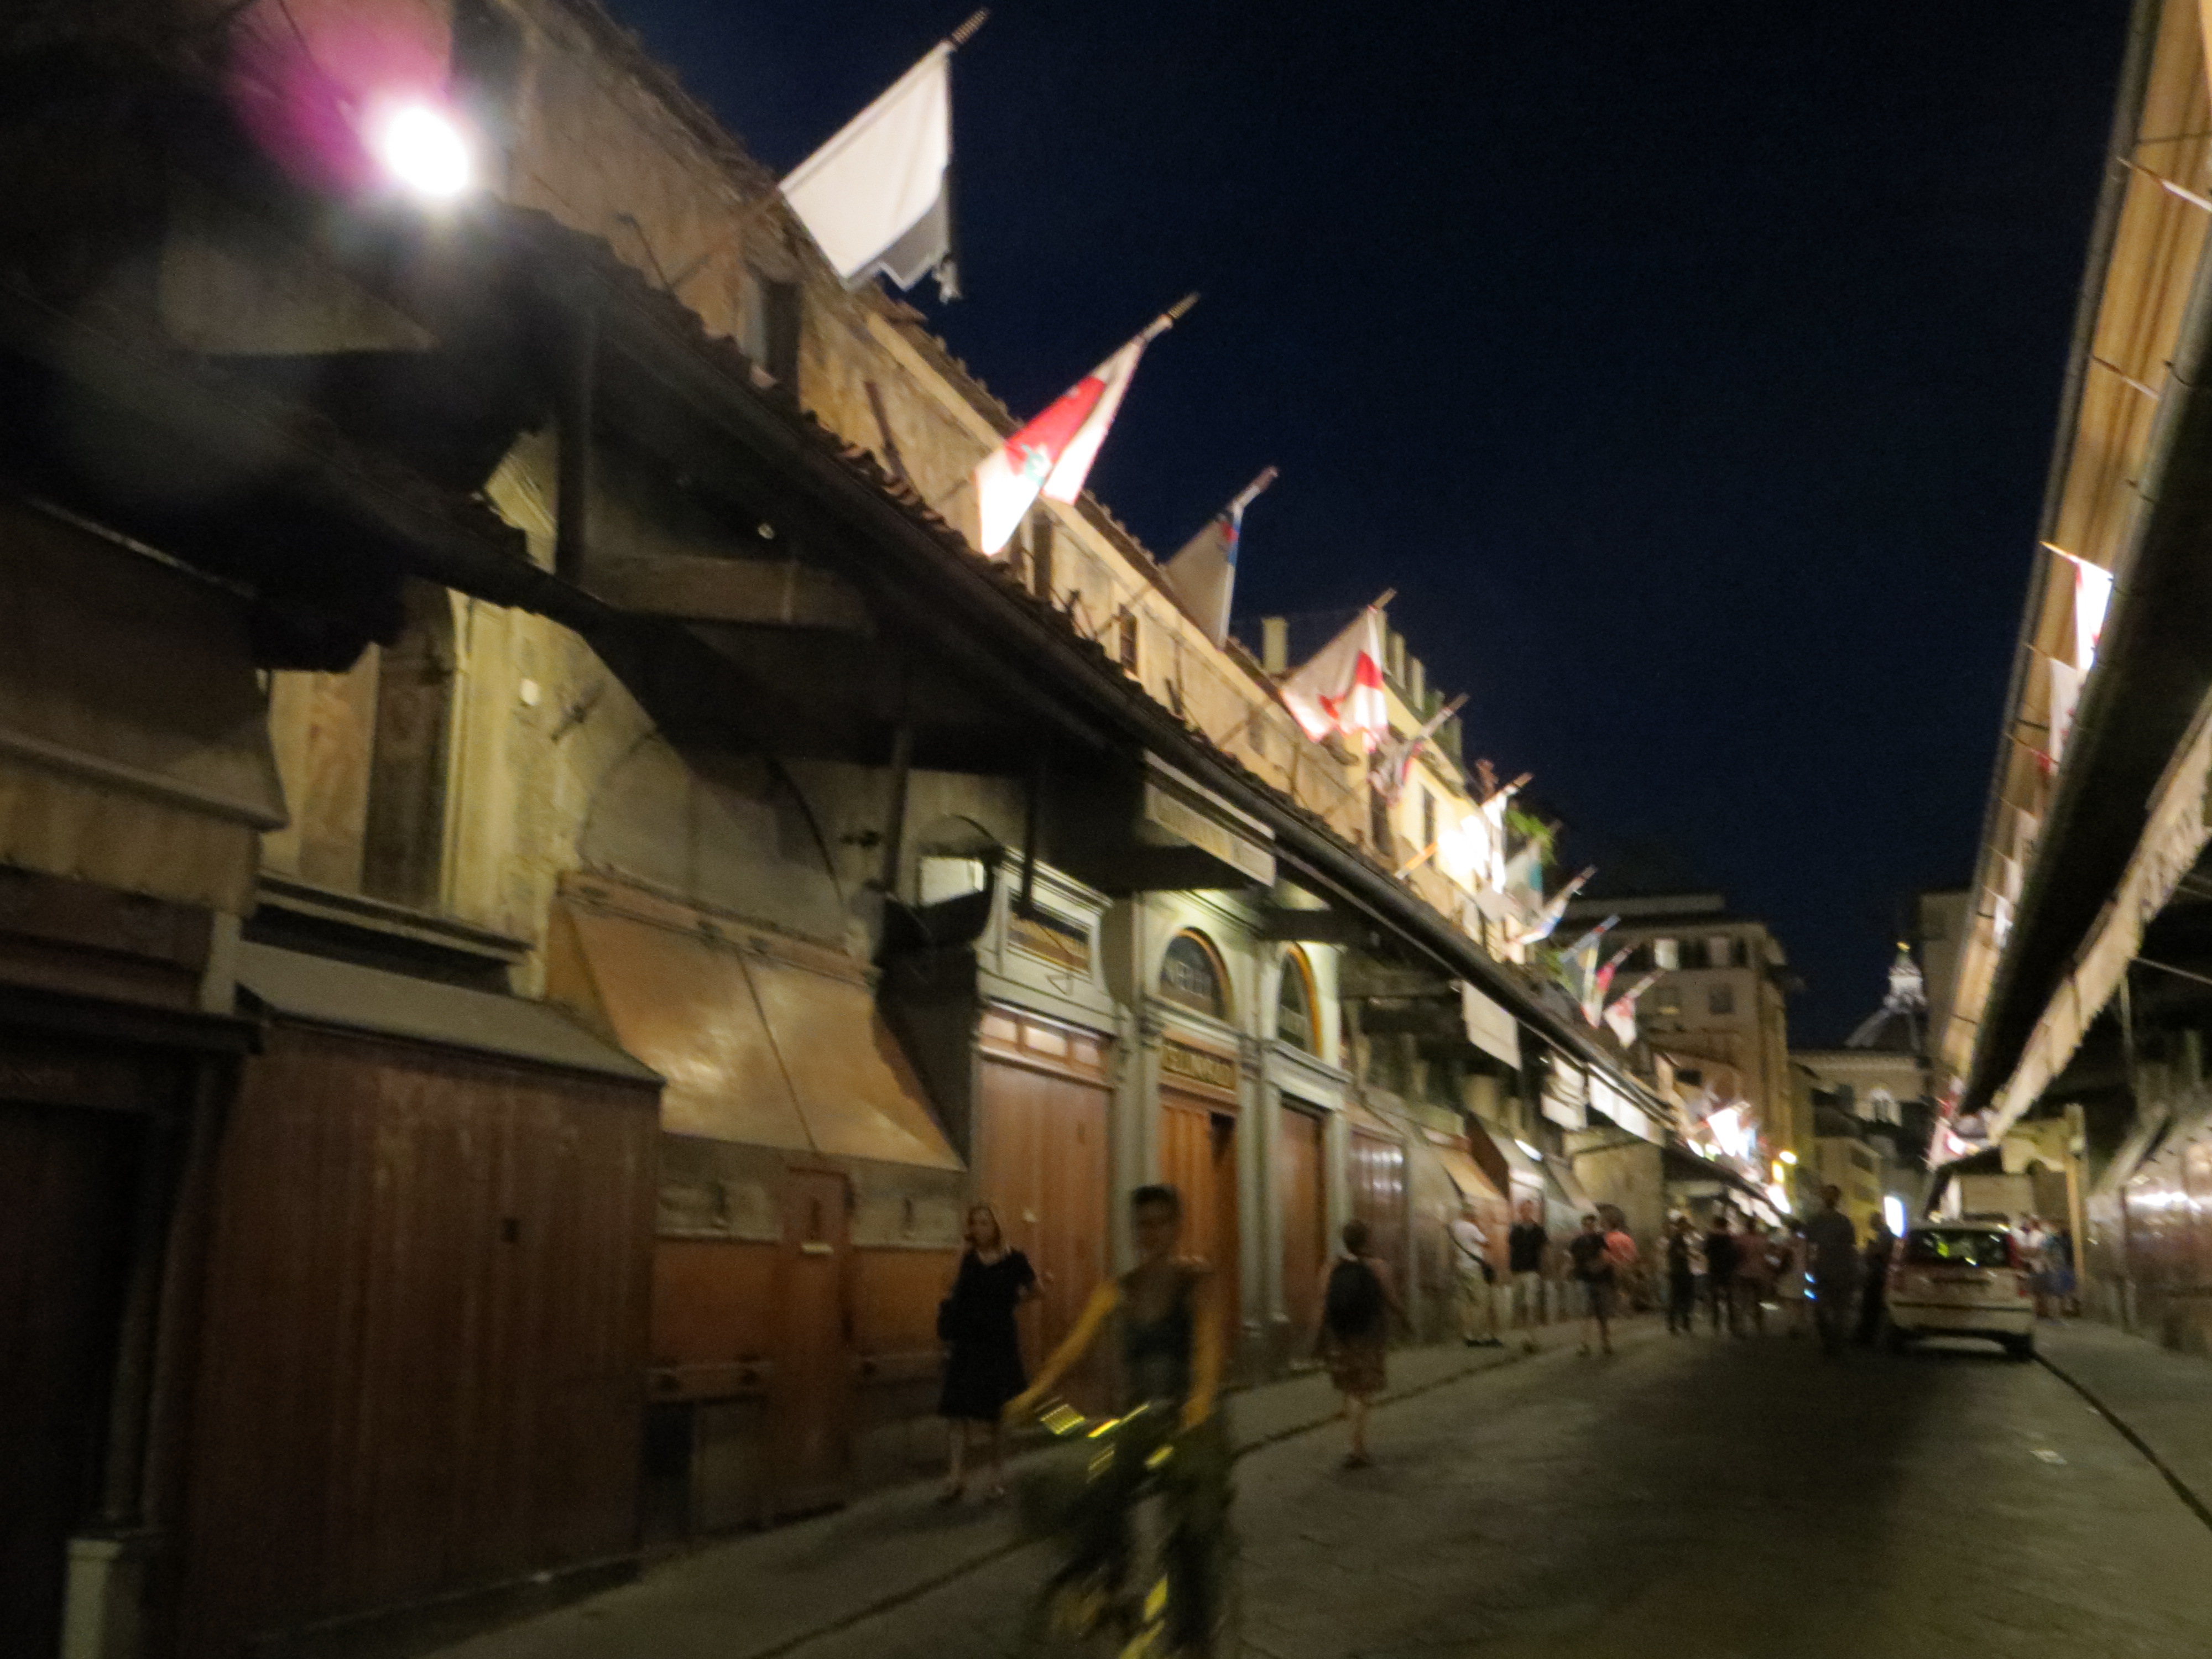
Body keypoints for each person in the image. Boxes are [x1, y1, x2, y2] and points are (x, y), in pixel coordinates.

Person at [1006, 1186, 1229, 1654]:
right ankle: (1112, 1582)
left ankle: (1196, 1638)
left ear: (1176, 1227)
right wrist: (1036, 1392)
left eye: (1161, 1222)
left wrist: (1200, 1403)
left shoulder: (1197, 1283)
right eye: (1143, 1224)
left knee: (1195, 1521)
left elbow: (1208, 1350)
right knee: (1102, 1489)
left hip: (1194, 1419)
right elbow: (1073, 1348)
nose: (1152, 1233)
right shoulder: (1118, 1289)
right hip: (1142, 1417)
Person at [936, 1203, 1039, 1501]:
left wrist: (1017, 1299)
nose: (979, 1229)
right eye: (975, 1223)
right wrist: (960, 1252)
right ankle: (956, 1477)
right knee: (958, 1412)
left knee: (996, 1414)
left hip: (998, 1341)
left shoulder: (1014, 1259)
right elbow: (949, 1287)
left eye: (985, 1223)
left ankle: (997, 1476)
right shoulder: (968, 1259)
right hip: (968, 1341)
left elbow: (1035, 1289)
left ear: (996, 1226)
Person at [1314, 1218, 1406, 1468]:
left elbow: (1322, 1302)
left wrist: (1317, 1337)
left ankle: (1353, 1442)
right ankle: (1357, 1448)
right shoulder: (1378, 1267)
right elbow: (1391, 1299)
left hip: (1339, 1335)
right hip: (1369, 1335)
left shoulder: (1331, 1267)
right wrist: (1405, 1319)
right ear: (1367, 1240)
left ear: (1344, 1241)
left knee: (1349, 1387)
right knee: (1362, 1390)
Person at [1803, 1185, 1860, 1357]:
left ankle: (1835, 1343)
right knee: (1825, 1309)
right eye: (1828, 1195)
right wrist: (1809, 1267)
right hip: (1825, 1271)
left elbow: (1851, 1249)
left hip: (1838, 1271)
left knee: (1837, 1310)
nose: (1830, 1198)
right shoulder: (1817, 1221)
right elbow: (1808, 1247)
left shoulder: (1841, 1222)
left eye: (1832, 1195)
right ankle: (1831, 1340)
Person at [1448, 1201, 1501, 1347]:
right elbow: (1487, 1243)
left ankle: (1467, 1335)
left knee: (1465, 1304)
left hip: (1460, 1267)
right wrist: (1480, 1227)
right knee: (1479, 1302)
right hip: (1473, 1268)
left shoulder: (1454, 1226)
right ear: (1470, 1214)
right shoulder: (1471, 1228)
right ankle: (1478, 1336)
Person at [1567, 1213, 1617, 1356]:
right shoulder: (1577, 1242)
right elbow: (1572, 1260)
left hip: (1600, 1280)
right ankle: (1585, 1344)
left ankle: (1605, 1342)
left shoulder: (1599, 1240)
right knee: (1586, 1313)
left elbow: (1606, 1258)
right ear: (1583, 1226)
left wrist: (1597, 1267)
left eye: (1591, 1225)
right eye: (1587, 1225)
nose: (1589, 1228)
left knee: (1601, 1314)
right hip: (1585, 1280)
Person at [1507, 1199, 1550, 1345]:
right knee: (1520, 1304)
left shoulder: (1539, 1230)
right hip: (1517, 1271)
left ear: (1532, 1211)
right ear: (1520, 1211)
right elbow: (1511, 1248)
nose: (1526, 1212)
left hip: (1532, 1270)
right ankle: (1525, 1334)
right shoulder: (1515, 1229)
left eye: (1529, 1209)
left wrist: (1544, 1269)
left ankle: (1531, 1337)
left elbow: (1545, 1250)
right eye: (1524, 1209)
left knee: (1531, 1304)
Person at [1855, 1222, 1896, 1345]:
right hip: (1879, 1276)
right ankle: (1868, 1336)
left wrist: (1871, 1251)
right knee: (1874, 1308)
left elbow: (1879, 1253)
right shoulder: (1887, 1235)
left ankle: (1866, 1338)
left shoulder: (1885, 1235)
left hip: (1877, 1276)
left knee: (1870, 1307)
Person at [1703, 1212, 1741, 1337]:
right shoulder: (1730, 1238)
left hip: (1714, 1269)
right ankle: (1731, 1324)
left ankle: (1716, 1324)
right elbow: (1736, 1254)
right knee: (1729, 1298)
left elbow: (1705, 1251)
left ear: (1716, 1224)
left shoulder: (1711, 1237)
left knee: (1715, 1297)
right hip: (1727, 1270)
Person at [1736, 1223, 1775, 1335]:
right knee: (1758, 1300)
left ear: (1746, 1227)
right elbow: (1768, 1255)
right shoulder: (1762, 1239)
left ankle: (1742, 1327)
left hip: (1744, 1272)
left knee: (1743, 1300)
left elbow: (1738, 1255)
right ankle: (1760, 1326)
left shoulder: (1741, 1239)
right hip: (1759, 1273)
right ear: (1755, 1227)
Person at [1664, 1215, 1698, 1335]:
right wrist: (1692, 1255)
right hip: (1679, 1272)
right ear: (1679, 1225)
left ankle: (1681, 1323)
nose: (1686, 1227)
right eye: (1684, 1225)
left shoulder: (1679, 1238)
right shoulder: (1677, 1238)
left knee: (1681, 1298)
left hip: (1681, 1271)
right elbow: (1680, 1253)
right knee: (1679, 1298)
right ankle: (1677, 1324)